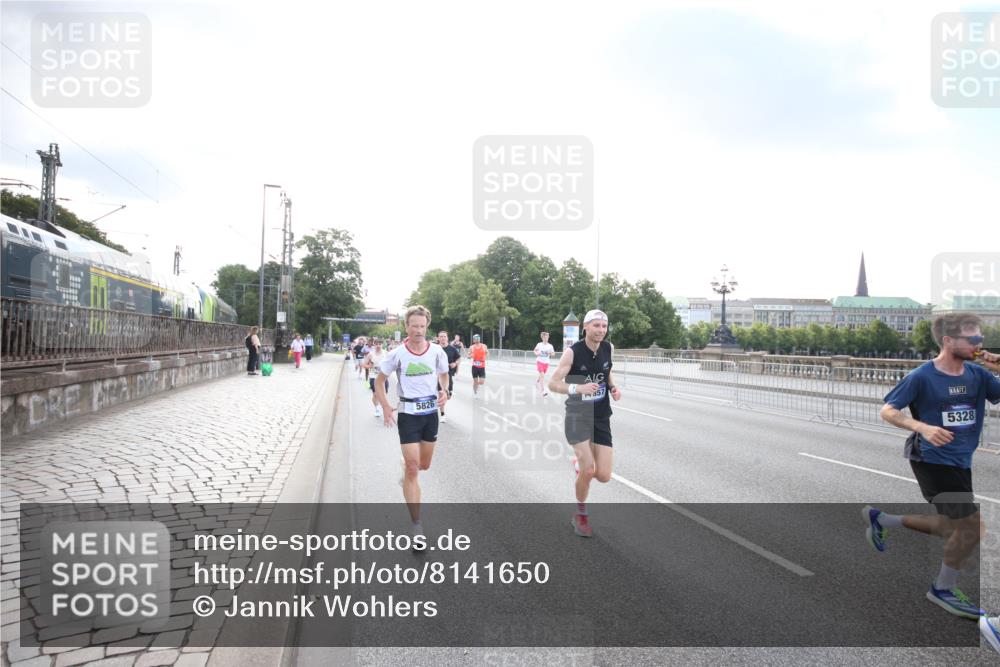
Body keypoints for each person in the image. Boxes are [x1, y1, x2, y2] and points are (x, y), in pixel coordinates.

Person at [866, 313, 1000, 619]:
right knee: (972, 528)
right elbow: (888, 410)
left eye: (981, 339)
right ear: (948, 341)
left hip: (961, 460)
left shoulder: (978, 376)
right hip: (932, 459)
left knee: (954, 528)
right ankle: (943, 588)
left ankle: (883, 520)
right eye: (974, 339)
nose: (980, 345)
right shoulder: (922, 376)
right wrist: (923, 427)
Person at [374, 306, 450, 546]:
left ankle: (407, 469)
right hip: (408, 414)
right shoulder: (397, 354)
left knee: (424, 465)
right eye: (414, 326)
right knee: (413, 468)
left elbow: (444, 375)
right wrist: (386, 406)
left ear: (427, 326)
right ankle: (417, 527)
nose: (418, 330)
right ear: (406, 326)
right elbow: (379, 381)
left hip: (430, 415)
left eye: (422, 326)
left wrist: (445, 391)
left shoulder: (437, 351)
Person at [548, 309, 622, 538]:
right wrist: (577, 388)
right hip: (578, 416)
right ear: (586, 327)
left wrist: (613, 387)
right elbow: (553, 383)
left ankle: (580, 466)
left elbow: (607, 371)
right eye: (596, 325)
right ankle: (580, 515)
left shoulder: (608, 348)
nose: (601, 330)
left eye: (604, 326)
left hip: (601, 416)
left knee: (604, 476)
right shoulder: (573, 352)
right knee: (589, 470)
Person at [436, 330, 461, 422]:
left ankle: (447, 395)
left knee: (448, 396)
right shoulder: (434, 349)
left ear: (447, 338)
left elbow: (459, 358)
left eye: (444, 336)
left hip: (448, 376)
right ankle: (442, 414)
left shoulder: (452, 349)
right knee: (441, 394)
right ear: (438, 338)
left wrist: (455, 363)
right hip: (437, 376)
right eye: (441, 336)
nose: (442, 338)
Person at [364, 340, 388, 418]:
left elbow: (391, 364)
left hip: (383, 377)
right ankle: (377, 409)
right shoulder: (371, 354)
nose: (378, 345)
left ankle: (382, 406)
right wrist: (370, 366)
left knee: (384, 394)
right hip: (373, 376)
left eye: (380, 344)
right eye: (377, 344)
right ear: (374, 345)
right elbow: (364, 364)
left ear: (382, 345)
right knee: (376, 394)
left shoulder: (386, 353)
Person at [533, 331, 556, 396]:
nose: (546, 339)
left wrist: (550, 353)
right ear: (542, 338)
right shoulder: (539, 344)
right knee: (542, 375)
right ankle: (543, 391)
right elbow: (534, 350)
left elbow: (553, 354)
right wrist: (536, 353)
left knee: (541, 375)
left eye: (547, 337)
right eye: (545, 337)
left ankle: (537, 383)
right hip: (539, 361)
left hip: (546, 363)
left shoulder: (550, 346)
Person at [468, 334, 488, 399]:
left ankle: (476, 386)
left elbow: (487, 352)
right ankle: (475, 393)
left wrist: (485, 356)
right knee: (475, 381)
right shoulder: (471, 347)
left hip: (482, 366)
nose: (477, 339)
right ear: (473, 340)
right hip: (475, 367)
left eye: (478, 338)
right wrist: (470, 356)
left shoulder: (484, 346)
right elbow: (468, 355)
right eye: (475, 338)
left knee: (482, 382)